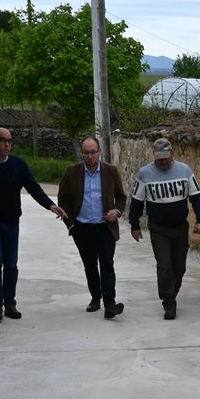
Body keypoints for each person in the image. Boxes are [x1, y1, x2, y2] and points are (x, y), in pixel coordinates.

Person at [0, 127, 67, 323]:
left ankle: (10, 304)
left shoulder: (18, 165)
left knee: (11, 264)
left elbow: (33, 188)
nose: (7, 144)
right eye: (3, 140)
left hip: (11, 222)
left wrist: (51, 205)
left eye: (10, 140)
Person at [127, 138, 200, 320]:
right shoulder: (144, 174)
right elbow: (137, 202)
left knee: (179, 267)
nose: (163, 162)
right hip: (158, 228)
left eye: (165, 157)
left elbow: (196, 197)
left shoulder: (184, 170)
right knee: (164, 265)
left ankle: (171, 292)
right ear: (154, 156)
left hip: (180, 226)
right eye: (159, 158)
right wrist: (135, 225)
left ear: (172, 154)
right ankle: (169, 302)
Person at [57, 136, 130, 320]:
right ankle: (96, 297)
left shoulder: (110, 171)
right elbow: (63, 199)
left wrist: (117, 211)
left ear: (99, 152)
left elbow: (121, 197)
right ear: (82, 153)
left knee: (106, 264)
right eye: (86, 152)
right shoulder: (72, 172)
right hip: (82, 228)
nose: (90, 156)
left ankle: (110, 304)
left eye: (93, 152)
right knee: (90, 266)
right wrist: (71, 224)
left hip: (105, 227)